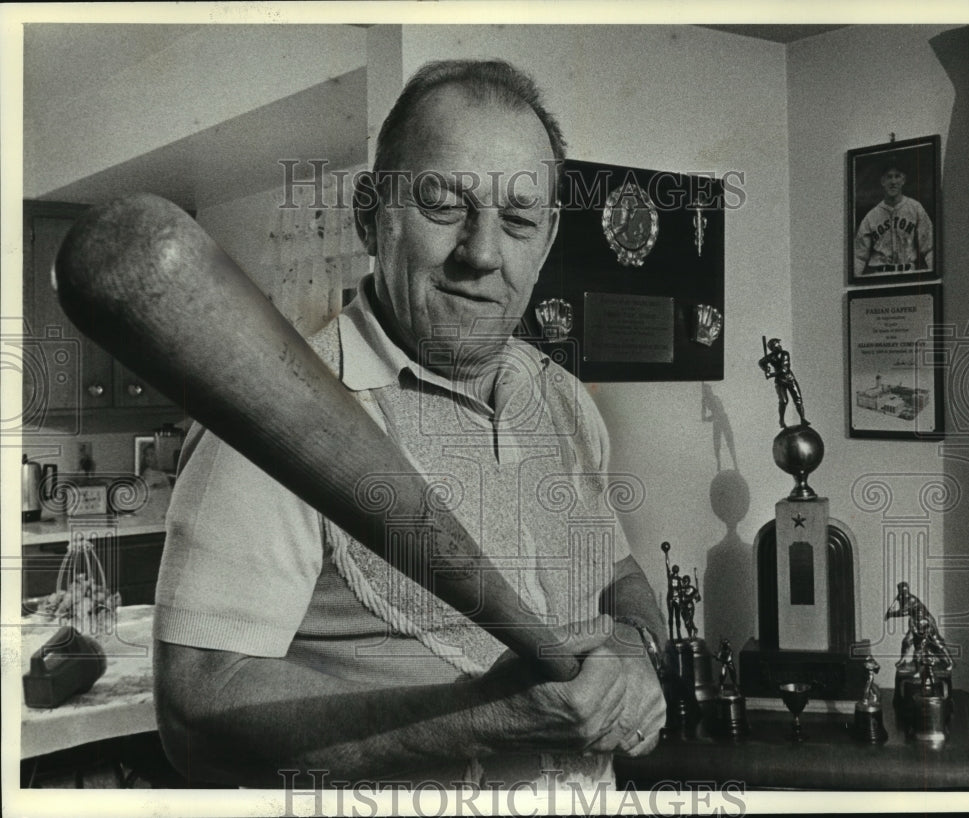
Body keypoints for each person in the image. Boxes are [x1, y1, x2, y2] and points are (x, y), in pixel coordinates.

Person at [154, 59, 667, 789]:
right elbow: (196, 717)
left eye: (517, 220)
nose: (483, 254)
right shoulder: (271, 414)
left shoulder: (561, 401)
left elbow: (617, 577)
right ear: (371, 213)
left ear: (547, 240)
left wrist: (632, 650)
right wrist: (483, 719)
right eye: (443, 205)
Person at [853, 155, 933, 276]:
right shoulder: (871, 216)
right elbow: (859, 257)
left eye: (897, 176)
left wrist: (935, 276)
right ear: (882, 181)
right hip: (879, 275)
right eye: (889, 177)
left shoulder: (915, 208)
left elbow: (929, 248)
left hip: (908, 274)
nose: (893, 182)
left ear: (903, 180)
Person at [884, 581, 951, 670]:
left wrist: (891, 614)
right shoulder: (901, 598)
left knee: (936, 642)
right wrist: (893, 607)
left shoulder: (912, 599)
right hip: (915, 622)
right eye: (901, 591)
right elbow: (901, 609)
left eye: (905, 590)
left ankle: (949, 661)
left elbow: (904, 612)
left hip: (925, 621)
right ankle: (903, 659)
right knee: (907, 641)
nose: (904, 592)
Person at [758, 338, 808, 428]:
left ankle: (803, 419)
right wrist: (766, 368)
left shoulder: (785, 354)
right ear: (773, 346)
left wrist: (771, 374)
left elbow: (785, 369)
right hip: (780, 381)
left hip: (790, 379)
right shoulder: (770, 357)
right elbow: (761, 362)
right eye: (777, 344)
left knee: (798, 399)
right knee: (784, 401)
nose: (780, 345)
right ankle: (781, 420)